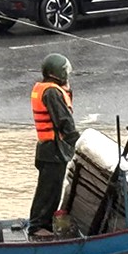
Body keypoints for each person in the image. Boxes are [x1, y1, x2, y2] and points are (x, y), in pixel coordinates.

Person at [29, 52, 80, 239]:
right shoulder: (51, 92)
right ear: (59, 72)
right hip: (53, 149)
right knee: (49, 190)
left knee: (51, 188)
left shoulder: (46, 88)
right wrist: (77, 141)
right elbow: (64, 121)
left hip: (48, 148)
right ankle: (37, 226)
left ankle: (43, 223)